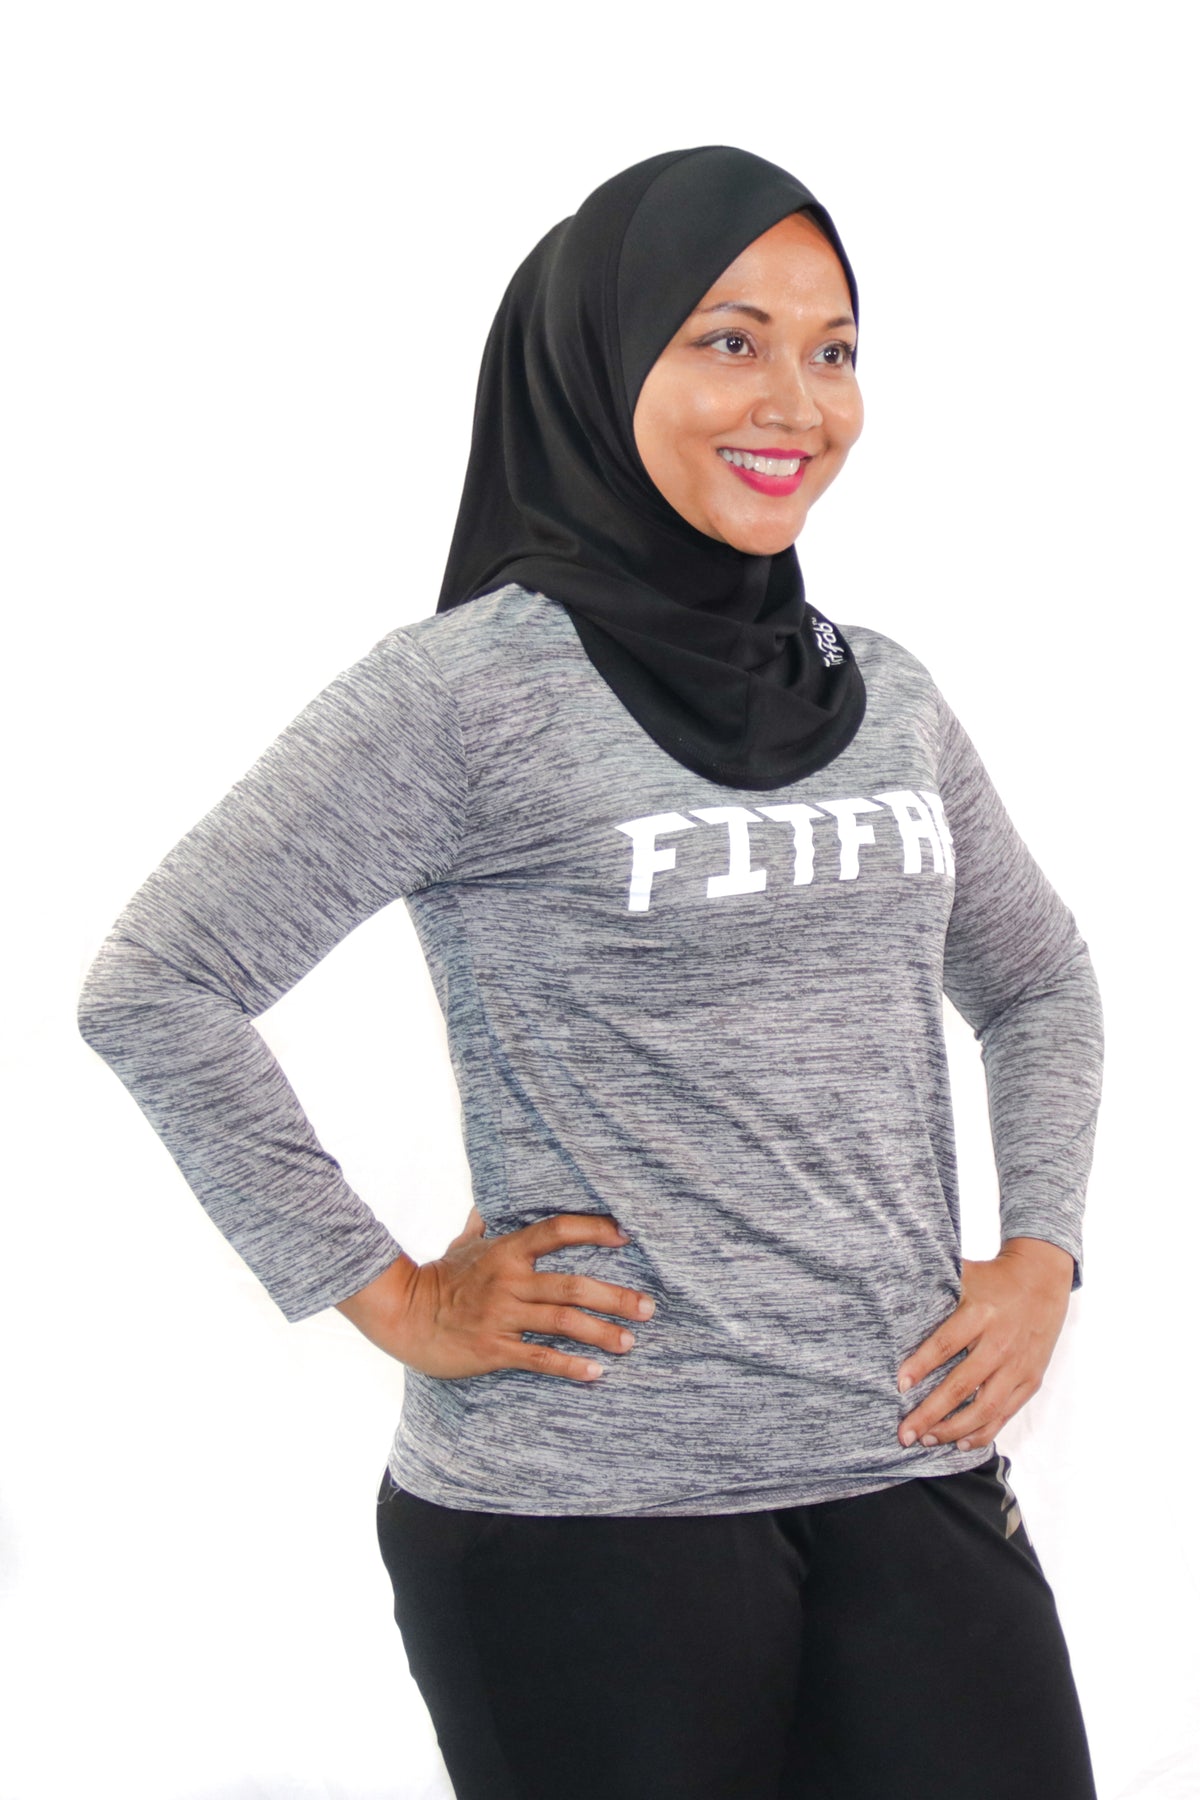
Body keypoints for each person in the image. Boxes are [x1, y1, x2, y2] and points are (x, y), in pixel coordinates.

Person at [78, 145, 1103, 1800]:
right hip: (584, 1524)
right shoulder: (464, 694)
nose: (797, 403)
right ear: (598, 363)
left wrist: (1043, 1255)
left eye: (835, 349)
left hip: (908, 1463)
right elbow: (157, 983)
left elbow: (1040, 979)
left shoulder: (891, 697)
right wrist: (393, 1293)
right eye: (728, 339)